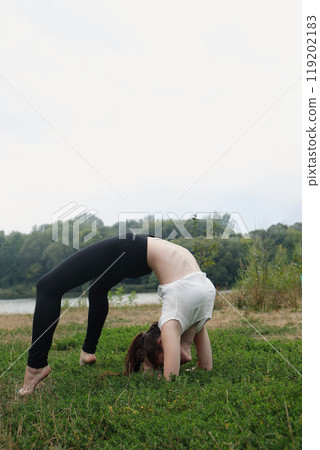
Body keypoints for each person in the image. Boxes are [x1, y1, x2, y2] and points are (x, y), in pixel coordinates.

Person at [20, 232, 215, 394]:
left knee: (47, 286)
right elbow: (196, 372)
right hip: (136, 248)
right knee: (88, 288)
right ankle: (87, 353)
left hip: (151, 253)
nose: (174, 363)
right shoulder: (186, 318)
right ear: (162, 341)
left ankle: (36, 366)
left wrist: (160, 371)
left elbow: (171, 381)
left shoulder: (183, 316)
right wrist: (162, 371)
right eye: (159, 365)